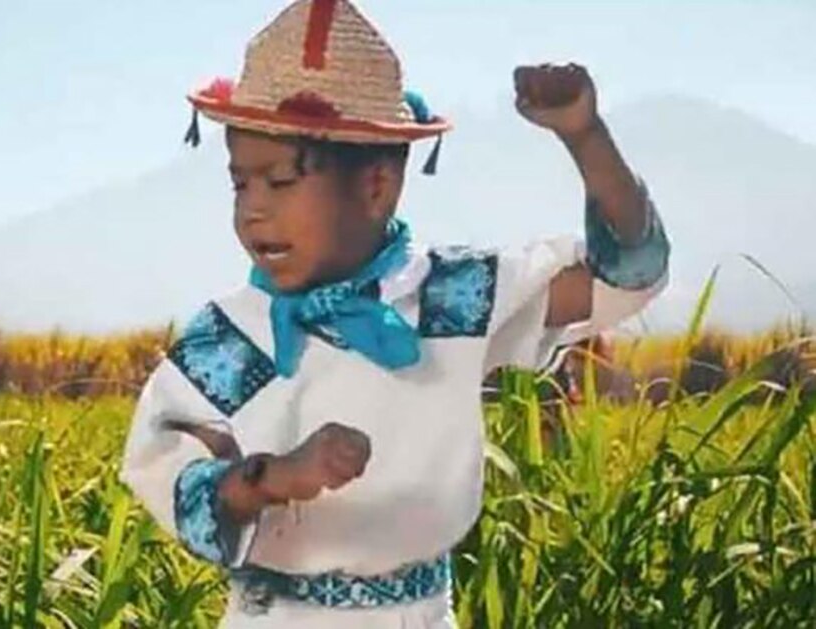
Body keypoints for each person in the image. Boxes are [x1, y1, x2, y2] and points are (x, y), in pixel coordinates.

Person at [119, 1, 670, 626]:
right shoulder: (230, 338)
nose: (252, 211)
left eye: (280, 181)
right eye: (240, 183)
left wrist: (584, 135)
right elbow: (161, 463)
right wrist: (272, 477)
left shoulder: (450, 300)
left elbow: (627, 271)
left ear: (377, 187)